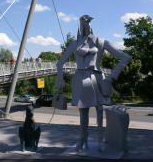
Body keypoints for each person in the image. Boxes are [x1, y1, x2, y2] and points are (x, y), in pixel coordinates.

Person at [56, 15, 131, 152]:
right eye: (83, 23)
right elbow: (60, 63)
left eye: (88, 23)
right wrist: (59, 80)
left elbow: (125, 57)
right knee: (82, 112)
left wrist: (112, 77)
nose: (86, 25)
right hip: (80, 79)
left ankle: (100, 140)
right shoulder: (75, 44)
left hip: (97, 79)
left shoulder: (101, 42)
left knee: (100, 111)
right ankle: (82, 139)